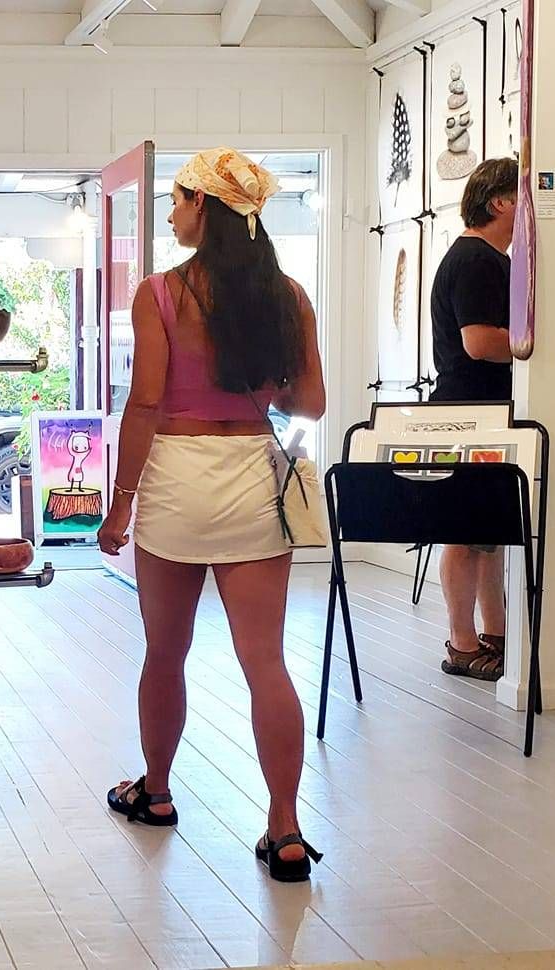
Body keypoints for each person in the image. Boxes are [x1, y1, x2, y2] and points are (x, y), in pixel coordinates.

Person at [95, 148, 327, 883]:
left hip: (176, 481)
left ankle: (157, 791)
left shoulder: (161, 293)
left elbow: (145, 404)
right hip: (252, 478)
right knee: (266, 662)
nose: (170, 214)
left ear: (204, 205)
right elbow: (311, 404)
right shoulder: (288, 296)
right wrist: (261, 393)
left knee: (165, 652)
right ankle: (285, 828)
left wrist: (119, 505)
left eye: (177, 200)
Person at [429, 157, 519, 682]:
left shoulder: (485, 259)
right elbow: (480, 342)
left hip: (478, 411)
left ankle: (495, 634)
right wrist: (531, 347)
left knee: (488, 531)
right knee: (466, 532)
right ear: (501, 202)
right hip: (468, 413)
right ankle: (462, 643)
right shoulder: (476, 260)